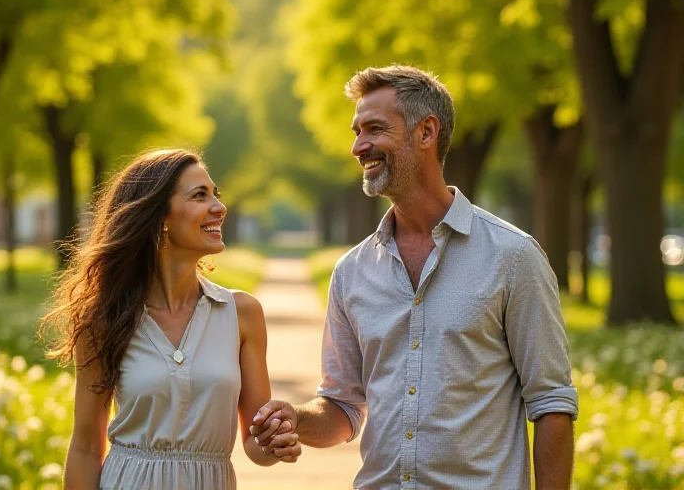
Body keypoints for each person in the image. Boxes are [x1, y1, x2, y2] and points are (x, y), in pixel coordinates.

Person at [251, 65, 578, 490]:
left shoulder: (513, 257)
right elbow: (343, 408)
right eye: (356, 131)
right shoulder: (351, 272)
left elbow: (551, 403)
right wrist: (297, 418)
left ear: (426, 133)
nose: (358, 146)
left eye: (374, 128)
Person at [41, 149, 301, 490]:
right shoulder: (105, 319)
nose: (219, 208)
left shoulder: (243, 314)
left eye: (215, 195)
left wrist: (275, 440)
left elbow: (256, 444)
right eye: (199, 196)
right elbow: (86, 448)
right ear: (159, 216)